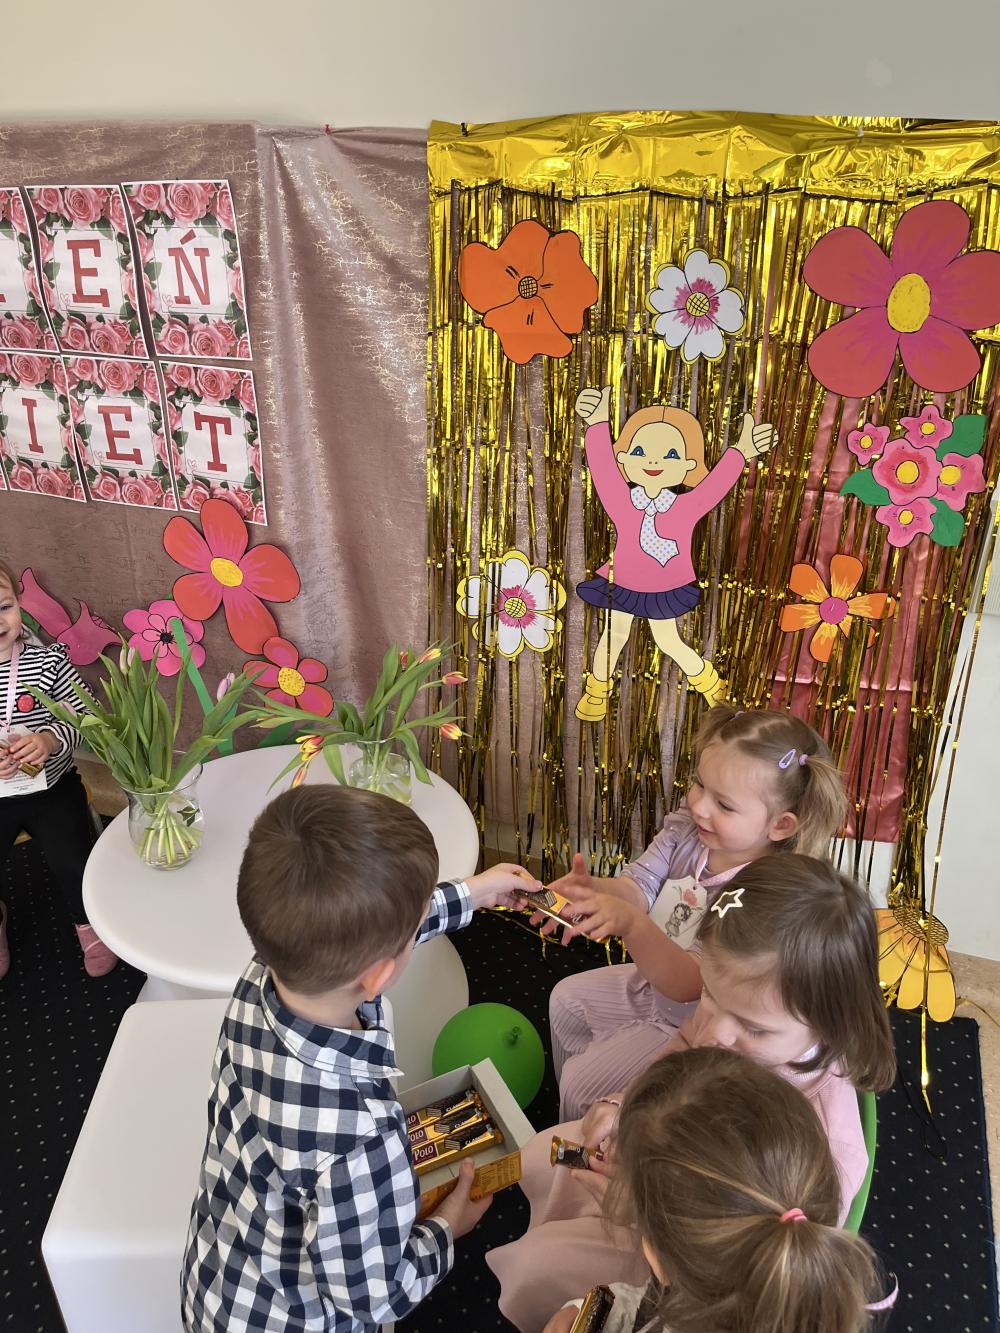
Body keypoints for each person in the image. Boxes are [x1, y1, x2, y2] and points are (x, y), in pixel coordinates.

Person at [181, 783, 537, 1333]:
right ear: (378, 975)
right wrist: (447, 1227)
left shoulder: (268, 972)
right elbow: (374, 1298)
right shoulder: (360, 1138)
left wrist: (470, 894)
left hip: (218, 1280)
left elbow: (365, 931)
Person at [488, 854, 896, 1330]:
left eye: (752, 1027)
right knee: (545, 1156)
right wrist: (624, 1104)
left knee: (538, 1266)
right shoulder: (736, 1022)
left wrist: (643, 1205)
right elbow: (684, 1048)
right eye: (708, 994)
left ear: (832, 1024)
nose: (714, 1032)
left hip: (686, 1254)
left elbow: (755, 1280)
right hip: (659, 1165)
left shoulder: (830, 1151)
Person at [543, 705, 846, 1118]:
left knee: (581, 1088)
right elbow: (639, 885)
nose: (700, 806)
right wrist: (596, 891)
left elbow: (690, 984)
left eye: (725, 805)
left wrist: (630, 923)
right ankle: (588, 1103)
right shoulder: (687, 831)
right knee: (565, 1002)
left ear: (780, 825)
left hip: (700, 1022)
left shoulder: (763, 895)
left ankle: (590, 1132)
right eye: (700, 784)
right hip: (652, 985)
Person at [542, 1047, 886, 1333]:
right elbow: (655, 1305)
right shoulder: (746, 1288)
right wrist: (592, 1311)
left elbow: (660, 1305)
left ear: (659, 1260)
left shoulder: (714, 1288)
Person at [573, 385, 776, 721]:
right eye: (640, 451)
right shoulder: (622, 502)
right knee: (614, 635)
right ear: (624, 458)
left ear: (687, 465)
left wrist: (741, 451)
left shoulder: (685, 507)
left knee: (668, 641)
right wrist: (597, 424)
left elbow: (714, 488)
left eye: (669, 455)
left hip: (664, 586)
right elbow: (603, 471)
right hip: (621, 582)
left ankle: (711, 685)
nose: (653, 461)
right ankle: (596, 693)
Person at [0, 557, 115, 978]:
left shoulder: (49, 663)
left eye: (4, 607)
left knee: (72, 858)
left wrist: (50, 739)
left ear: (19, 604)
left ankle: (87, 920)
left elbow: (89, 715)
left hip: (52, 787)